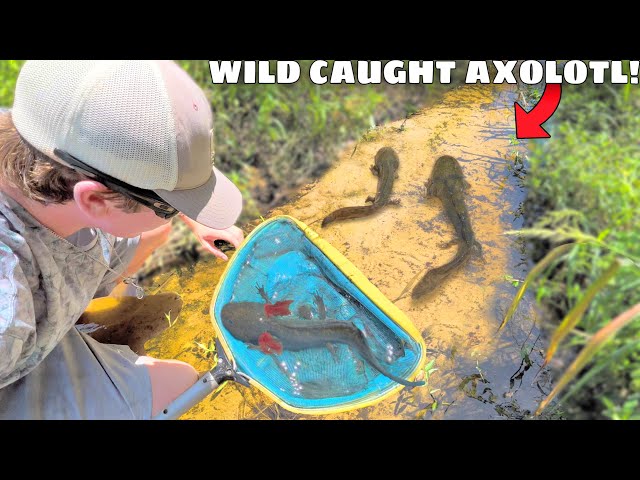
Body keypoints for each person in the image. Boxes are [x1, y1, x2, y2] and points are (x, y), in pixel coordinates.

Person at [0, 60, 245, 419]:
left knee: (153, 232)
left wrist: (185, 206)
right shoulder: (7, 309)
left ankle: (68, 318)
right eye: (167, 206)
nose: (176, 215)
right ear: (96, 201)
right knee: (180, 384)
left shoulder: (37, 129)